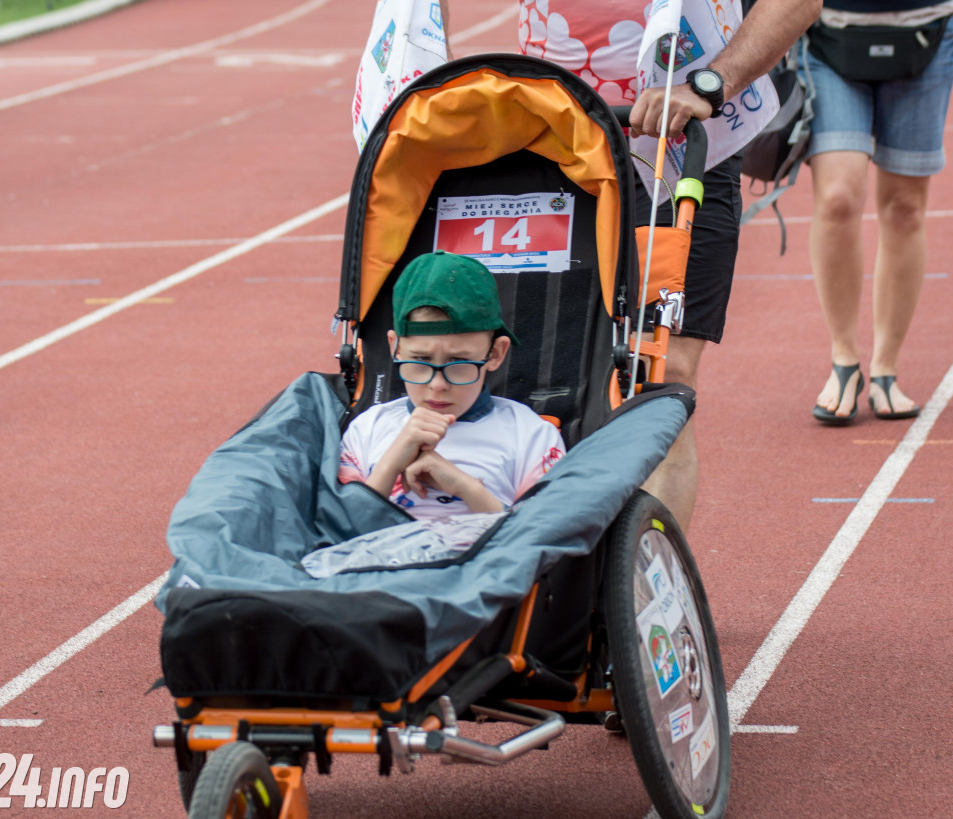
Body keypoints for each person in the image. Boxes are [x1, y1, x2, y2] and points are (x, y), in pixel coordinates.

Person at [440, 0, 823, 532]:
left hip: (681, 143)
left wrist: (710, 85)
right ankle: (545, 565)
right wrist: (429, 59)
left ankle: (645, 586)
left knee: (660, 375)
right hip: (551, 142)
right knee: (540, 364)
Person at [805, 1, 953, 425]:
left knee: (905, 207)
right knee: (837, 197)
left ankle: (886, 367)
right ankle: (844, 360)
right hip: (829, 33)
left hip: (928, 31)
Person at [338, 251, 566, 521]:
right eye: (420, 361)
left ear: (495, 354)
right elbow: (339, 532)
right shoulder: (368, 429)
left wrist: (465, 486)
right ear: (395, 348)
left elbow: (545, 536)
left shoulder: (530, 435)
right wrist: (390, 464)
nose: (437, 385)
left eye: (458, 363)